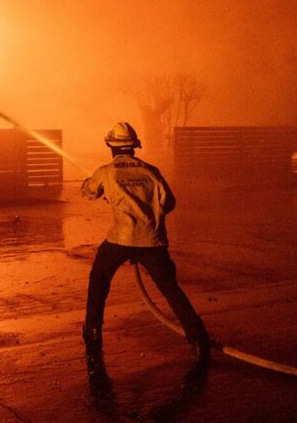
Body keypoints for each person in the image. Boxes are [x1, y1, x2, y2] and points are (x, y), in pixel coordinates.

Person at [80, 121, 210, 378]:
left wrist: (103, 190)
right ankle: (198, 339)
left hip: (120, 240)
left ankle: (93, 331)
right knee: (171, 290)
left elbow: (88, 192)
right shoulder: (151, 171)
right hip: (152, 242)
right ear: (133, 147)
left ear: (112, 147)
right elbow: (169, 203)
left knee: (99, 279)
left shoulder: (106, 171)